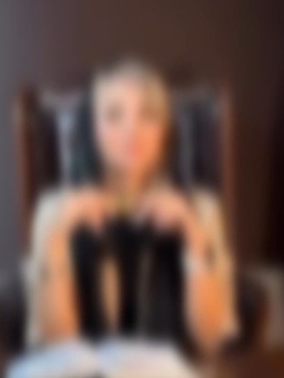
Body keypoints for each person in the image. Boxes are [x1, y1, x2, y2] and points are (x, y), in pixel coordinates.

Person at [25, 59, 239, 356]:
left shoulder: (201, 207)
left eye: (148, 115)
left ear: (165, 132)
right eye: (114, 115)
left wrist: (193, 235)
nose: (132, 130)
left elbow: (210, 336)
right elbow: (57, 346)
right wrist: (58, 239)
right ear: (91, 130)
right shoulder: (53, 209)